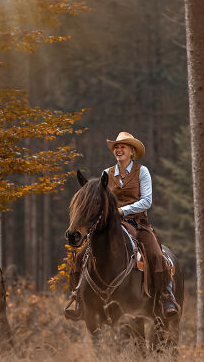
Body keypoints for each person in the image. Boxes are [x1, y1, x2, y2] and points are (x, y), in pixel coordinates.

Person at [65, 132, 179, 320]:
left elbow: (147, 201)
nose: (118, 149)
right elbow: (97, 200)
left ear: (132, 152)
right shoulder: (106, 174)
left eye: (123, 147)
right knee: (79, 256)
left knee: (156, 254)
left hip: (138, 223)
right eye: (116, 147)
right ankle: (77, 298)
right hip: (111, 224)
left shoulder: (142, 172)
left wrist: (123, 211)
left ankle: (166, 297)